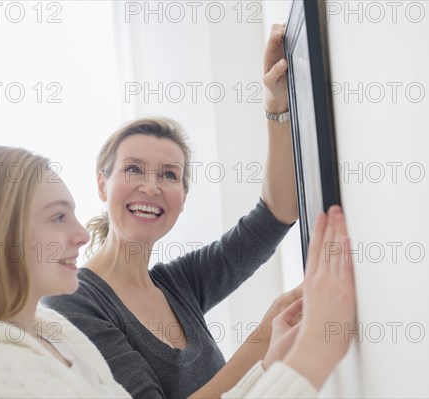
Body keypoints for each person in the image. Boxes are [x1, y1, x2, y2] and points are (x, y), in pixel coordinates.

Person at [0, 145, 356, 398]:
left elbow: (269, 219)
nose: (78, 234)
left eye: (170, 174)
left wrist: (270, 363)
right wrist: (306, 356)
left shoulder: (56, 332)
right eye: (56, 218)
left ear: (185, 196)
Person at [42, 24, 301, 398]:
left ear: (183, 195)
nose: (151, 186)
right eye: (133, 169)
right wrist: (265, 337)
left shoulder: (179, 284)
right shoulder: (73, 301)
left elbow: (276, 215)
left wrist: (276, 103)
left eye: (169, 175)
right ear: (102, 184)